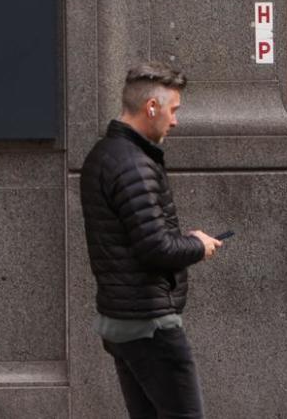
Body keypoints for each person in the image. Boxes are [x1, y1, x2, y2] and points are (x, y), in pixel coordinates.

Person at [80, 62, 222, 418]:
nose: (175, 121)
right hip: (150, 323)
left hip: (122, 320)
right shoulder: (133, 165)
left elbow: (135, 236)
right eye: (173, 110)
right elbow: (154, 247)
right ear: (152, 108)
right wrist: (198, 245)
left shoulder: (104, 154)